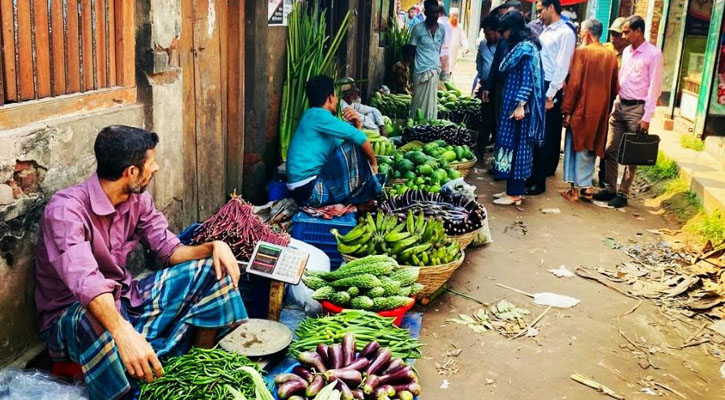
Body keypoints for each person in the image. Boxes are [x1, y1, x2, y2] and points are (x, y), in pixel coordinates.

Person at [35, 126, 248, 400]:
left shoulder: (137, 199)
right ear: (132, 172)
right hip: (70, 318)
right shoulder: (65, 211)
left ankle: (196, 367)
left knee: (213, 270)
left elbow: (169, 250)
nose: (156, 168)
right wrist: (124, 333)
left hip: (124, 299)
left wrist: (213, 247)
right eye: (151, 162)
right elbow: (86, 283)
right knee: (93, 320)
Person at [594, 15, 663, 208]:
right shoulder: (626, 53)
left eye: (626, 32)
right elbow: (622, 78)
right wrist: (616, 102)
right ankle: (610, 189)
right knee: (610, 149)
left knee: (632, 154)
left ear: (638, 31)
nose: (623, 36)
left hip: (638, 108)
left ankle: (623, 194)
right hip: (621, 105)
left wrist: (647, 116)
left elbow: (654, 88)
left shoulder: (654, 54)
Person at [286, 75, 382, 209]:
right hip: (310, 191)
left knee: (354, 144)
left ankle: (361, 197)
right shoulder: (319, 116)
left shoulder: (311, 116)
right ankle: (368, 193)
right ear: (330, 97)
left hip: (303, 190)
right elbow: (360, 139)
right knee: (357, 145)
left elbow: (341, 147)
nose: (337, 100)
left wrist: (357, 126)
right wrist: (374, 164)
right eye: (336, 96)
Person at [560, 19, 619, 202]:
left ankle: (575, 190)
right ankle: (586, 187)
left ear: (586, 33)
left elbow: (575, 84)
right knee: (591, 146)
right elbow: (615, 87)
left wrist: (567, 110)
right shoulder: (610, 56)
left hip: (581, 108)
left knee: (575, 145)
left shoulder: (582, 53)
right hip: (600, 110)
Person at [491, 12, 546, 206]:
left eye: (504, 30)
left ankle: (514, 193)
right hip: (512, 106)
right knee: (510, 146)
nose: (502, 35)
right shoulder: (521, 48)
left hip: (518, 110)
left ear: (512, 30)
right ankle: (513, 191)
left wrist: (521, 105)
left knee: (516, 148)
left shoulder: (526, 50)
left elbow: (528, 80)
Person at [525, 0, 576, 196]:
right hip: (539, 85)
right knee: (536, 134)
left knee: (545, 136)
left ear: (551, 8)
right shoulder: (546, 31)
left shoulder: (565, 33)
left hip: (549, 88)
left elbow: (562, 67)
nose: (538, 15)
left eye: (540, 11)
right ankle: (532, 177)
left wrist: (550, 95)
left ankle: (539, 182)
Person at [409, 0, 446, 119]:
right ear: (425, 12)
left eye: (437, 12)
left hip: (434, 71)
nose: (435, 15)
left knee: (431, 105)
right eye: (431, 12)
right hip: (420, 72)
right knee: (417, 104)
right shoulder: (417, 29)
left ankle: (428, 126)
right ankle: (415, 127)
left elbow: (438, 50)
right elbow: (412, 51)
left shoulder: (442, 29)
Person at [476, 15, 502, 153]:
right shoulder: (483, 45)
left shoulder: (504, 45)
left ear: (497, 31)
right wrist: (481, 77)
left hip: (499, 87)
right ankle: (479, 151)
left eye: (489, 33)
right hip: (486, 86)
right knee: (485, 120)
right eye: (485, 33)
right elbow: (479, 62)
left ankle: (497, 151)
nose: (487, 36)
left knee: (498, 120)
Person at [448, 8, 470, 76]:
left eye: (457, 16)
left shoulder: (459, 27)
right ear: (450, 16)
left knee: (451, 68)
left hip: (454, 51)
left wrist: (466, 47)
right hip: (446, 51)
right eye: (453, 15)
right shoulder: (446, 26)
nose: (455, 17)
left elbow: (463, 38)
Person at [438, 3, 454, 83]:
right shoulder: (448, 24)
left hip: (439, 52)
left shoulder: (438, 23)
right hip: (446, 53)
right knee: (444, 78)